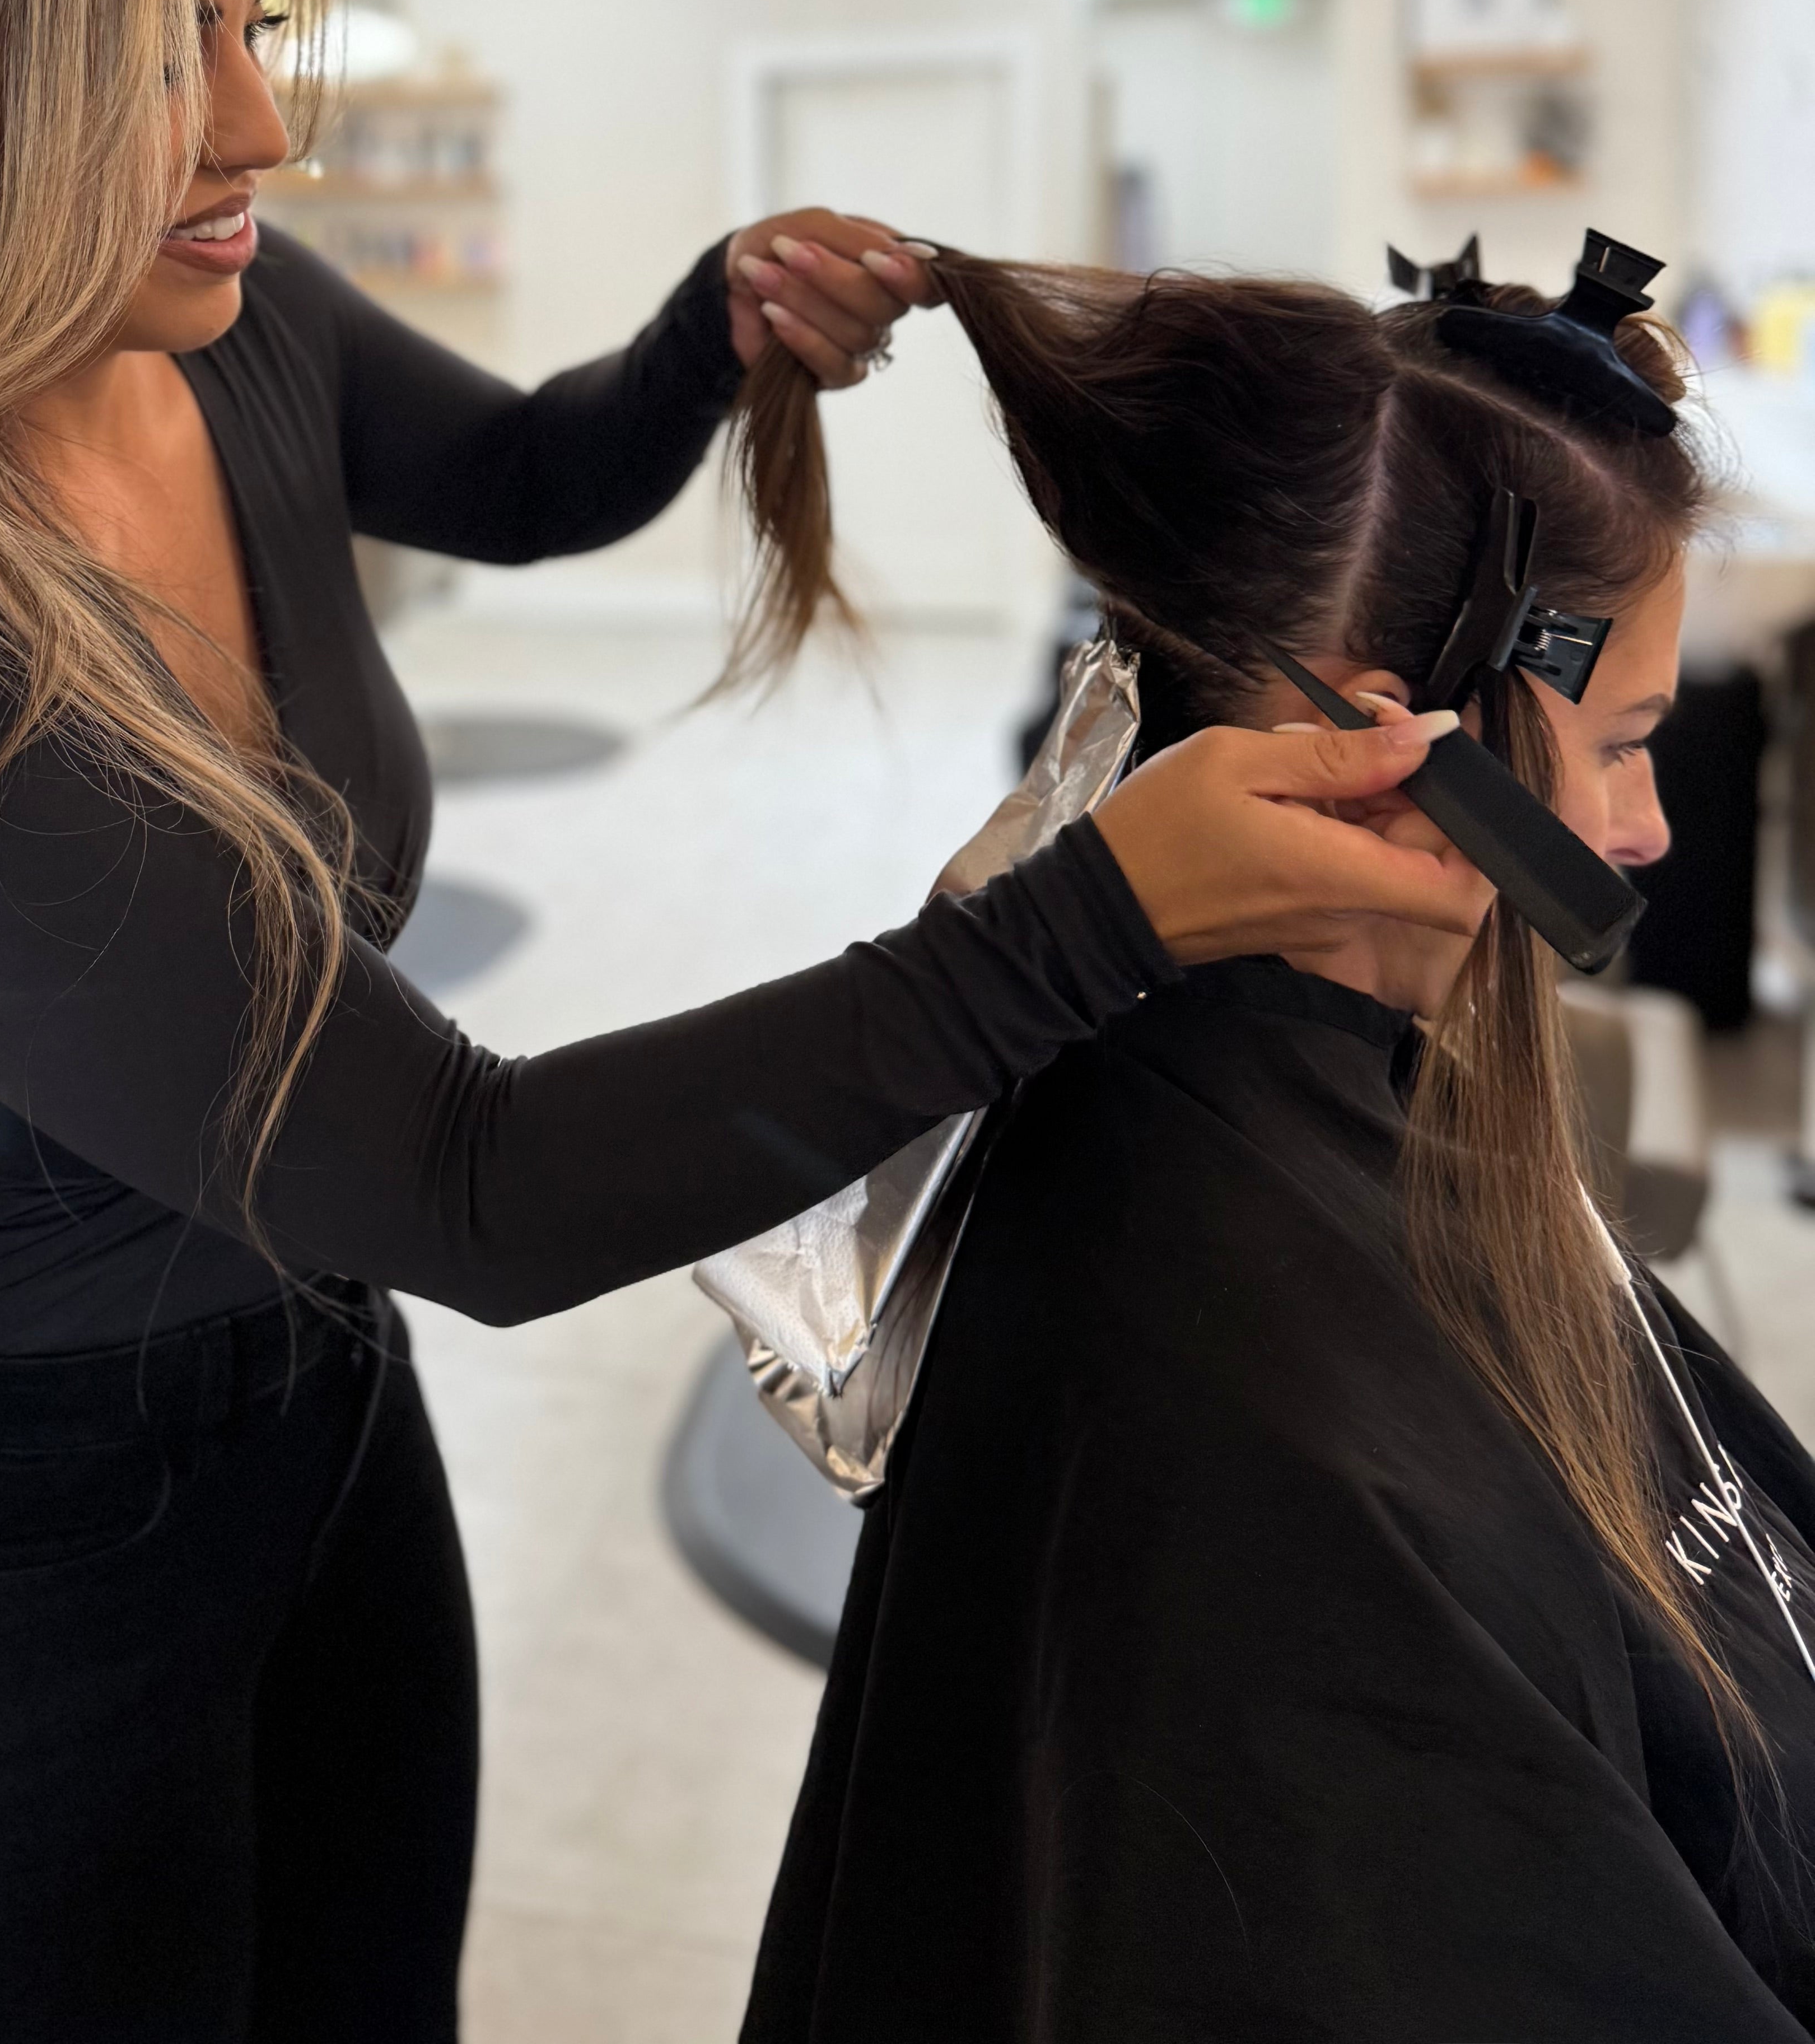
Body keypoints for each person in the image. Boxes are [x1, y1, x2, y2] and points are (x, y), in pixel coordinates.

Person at [0, 0, 1493, 2044]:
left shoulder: (222, 329)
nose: (260, 128)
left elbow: (534, 479)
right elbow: (473, 1182)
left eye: (252, 23)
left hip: (322, 1420)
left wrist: (709, 329)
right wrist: (1089, 923)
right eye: (145, 54)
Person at [732, 245, 1815, 2044]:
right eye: (1626, 745)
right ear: (1396, 739)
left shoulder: (1353, 1101)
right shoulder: (1237, 1388)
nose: (1642, 832)